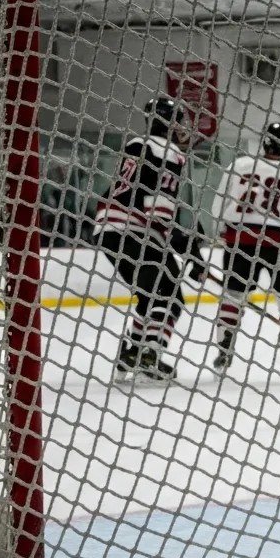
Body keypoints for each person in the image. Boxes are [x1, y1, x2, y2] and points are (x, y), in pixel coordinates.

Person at [94, 98, 206, 383]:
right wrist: (191, 252)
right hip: (135, 230)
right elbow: (159, 210)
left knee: (150, 294)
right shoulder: (168, 151)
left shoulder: (137, 144)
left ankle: (131, 353)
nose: (183, 128)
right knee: (171, 296)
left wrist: (186, 248)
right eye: (179, 122)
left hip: (108, 229)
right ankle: (150, 356)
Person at [212, 122, 280, 379]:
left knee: (232, 297)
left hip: (240, 241)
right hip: (279, 245)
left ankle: (223, 351)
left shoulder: (239, 165)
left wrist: (221, 233)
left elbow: (220, 204)